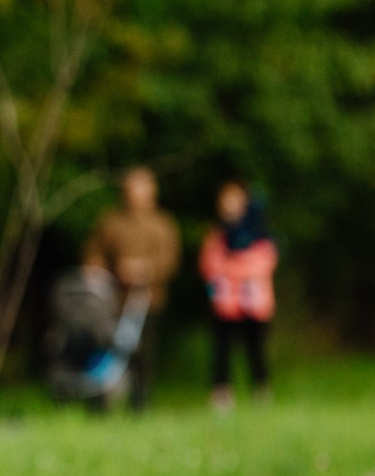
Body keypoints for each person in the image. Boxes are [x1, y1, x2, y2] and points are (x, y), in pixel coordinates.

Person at [82, 166, 180, 410]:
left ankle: (140, 404)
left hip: (149, 302)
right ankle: (100, 402)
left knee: (142, 354)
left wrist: (144, 271)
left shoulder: (163, 224)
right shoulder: (110, 222)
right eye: (132, 188)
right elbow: (94, 254)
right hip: (112, 301)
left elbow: (170, 261)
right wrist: (100, 271)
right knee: (106, 351)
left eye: (142, 188)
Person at [199, 179, 278, 409]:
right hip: (224, 305)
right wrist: (239, 267)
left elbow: (263, 263)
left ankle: (261, 391)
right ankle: (222, 395)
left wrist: (231, 267)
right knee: (222, 350)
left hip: (255, 304)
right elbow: (209, 265)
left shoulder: (260, 232)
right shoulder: (216, 234)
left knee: (256, 349)